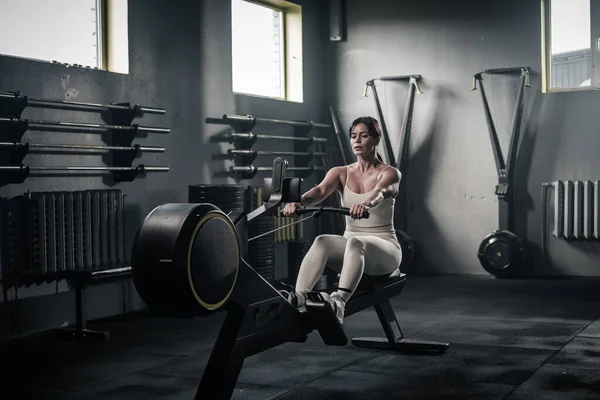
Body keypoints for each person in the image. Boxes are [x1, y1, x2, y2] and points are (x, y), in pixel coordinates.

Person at [282, 116, 403, 326]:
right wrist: (298, 203)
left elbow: (381, 192)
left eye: (364, 136)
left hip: (386, 251)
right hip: (352, 250)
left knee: (356, 242)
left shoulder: (390, 173)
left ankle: (339, 302)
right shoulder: (341, 172)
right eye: (354, 136)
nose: (357, 141)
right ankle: (299, 297)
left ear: (375, 140)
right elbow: (319, 191)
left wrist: (366, 204)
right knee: (322, 240)